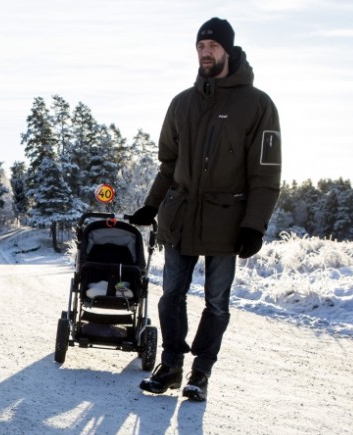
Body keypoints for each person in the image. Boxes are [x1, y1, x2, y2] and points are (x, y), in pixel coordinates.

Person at [129, 17, 281, 401]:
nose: (205, 52)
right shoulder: (182, 103)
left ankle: (201, 372)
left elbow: (265, 174)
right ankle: (171, 365)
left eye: (212, 46)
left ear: (227, 50)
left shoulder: (258, 105)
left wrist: (254, 225)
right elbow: (168, 164)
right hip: (180, 216)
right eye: (200, 46)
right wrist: (151, 205)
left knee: (216, 300)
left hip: (227, 221)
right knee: (171, 295)